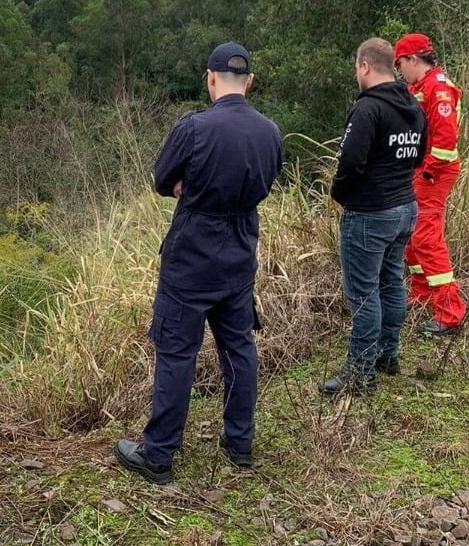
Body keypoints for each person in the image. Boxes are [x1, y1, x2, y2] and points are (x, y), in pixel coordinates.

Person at [114, 42, 282, 484]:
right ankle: (239, 442)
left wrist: (185, 186)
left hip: (191, 256)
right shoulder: (270, 131)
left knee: (176, 353)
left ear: (210, 78)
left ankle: (159, 454)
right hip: (240, 251)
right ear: (249, 82)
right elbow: (267, 181)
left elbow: (160, 180)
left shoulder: (194, 127)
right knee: (239, 347)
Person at [320, 38, 426, 396]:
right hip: (404, 207)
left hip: (370, 212)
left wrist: (340, 194)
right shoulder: (411, 103)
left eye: (356, 67)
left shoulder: (367, 110)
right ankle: (387, 354)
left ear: (365, 66)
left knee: (364, 295)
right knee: (391, 282)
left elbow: (350, 161)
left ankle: (360, 372)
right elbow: (419, 154)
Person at [393, 33, 466, 336]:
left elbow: (446, 141)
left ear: (412, 59)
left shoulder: (437, 89)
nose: (400, 72)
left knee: (425, 238)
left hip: (434, 172)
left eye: (401, 65)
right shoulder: (420, 87)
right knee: (411, 234)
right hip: (422, 170)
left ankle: (450, 312)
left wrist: (427, 174)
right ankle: (422, 293)